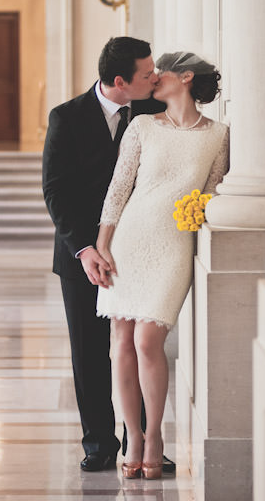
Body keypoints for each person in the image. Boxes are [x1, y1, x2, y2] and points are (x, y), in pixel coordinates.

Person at [95, 51, 229, 479]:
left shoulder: (218, 135)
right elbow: (119, 189)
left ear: (185, 77)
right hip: (129, 240)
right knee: (121, 341)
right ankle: (132, 436)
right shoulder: (142, 126)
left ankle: (155, 436)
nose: (153, 79)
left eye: (160, 73)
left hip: (173, 246)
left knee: (148, 341)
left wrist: (202, 210)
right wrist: (102, 245)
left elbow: (213, 192)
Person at [42, 36, 170, 472]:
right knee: (89, 351)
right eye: (147, 73)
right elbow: (55, 190)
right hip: (80, 256)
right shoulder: (66, 117)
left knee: (140, 349)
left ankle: (146, 443)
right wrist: (84, 249)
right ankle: (98, 442)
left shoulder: (153, 110)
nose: (155, 78)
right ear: (120, 81)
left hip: (139, 250)